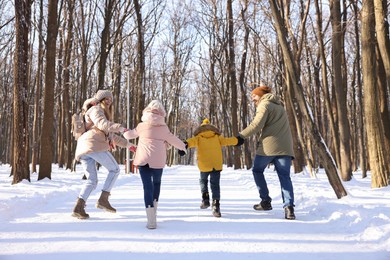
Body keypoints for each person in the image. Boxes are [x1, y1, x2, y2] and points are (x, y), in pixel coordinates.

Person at [72, 90, 135, 219]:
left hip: (84, 149)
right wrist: (121, 128)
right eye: (106, 99)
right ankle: (103, 200)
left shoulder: (101, 115)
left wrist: (130, 146)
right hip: (93, 145)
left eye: (111, 100)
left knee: (92, 180)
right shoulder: (95, 109)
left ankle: (78, 207)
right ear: (99, 100)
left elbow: (113, 137)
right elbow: (103, 124)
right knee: (115, 169)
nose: (109, 102)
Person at [123, 100, 186, 229]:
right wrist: (183, 147)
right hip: (158, 161)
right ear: (162, 113)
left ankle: (151, 220)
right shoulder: (164, 128)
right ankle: (154, 213)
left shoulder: (142, 126)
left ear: (146, 111)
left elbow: (129, 135)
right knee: (156, 184)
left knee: (147, 187)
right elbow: (174, 140)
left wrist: (124, 131)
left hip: (143, 160)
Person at [236, 85, 296, 220]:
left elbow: (257, 124)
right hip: (285, 147)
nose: (252, 99)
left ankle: (265, 201)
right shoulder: (280, 106)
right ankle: (289, 208)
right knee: (285, 176)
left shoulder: (264, 105)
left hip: (269, 147)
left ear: (261, 95)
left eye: (254, 96)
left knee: (257, 170)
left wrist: (241, 136)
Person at [179, 118, 238, 218]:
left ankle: (205, 199)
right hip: (216, 164)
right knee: (215, 185)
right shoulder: (217, 137)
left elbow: (190, 142)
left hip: (204, 164)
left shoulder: (198, 137)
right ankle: (216, 206)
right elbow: (228, 141)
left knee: (203, 181)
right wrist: (237, 140)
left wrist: (184, 145)